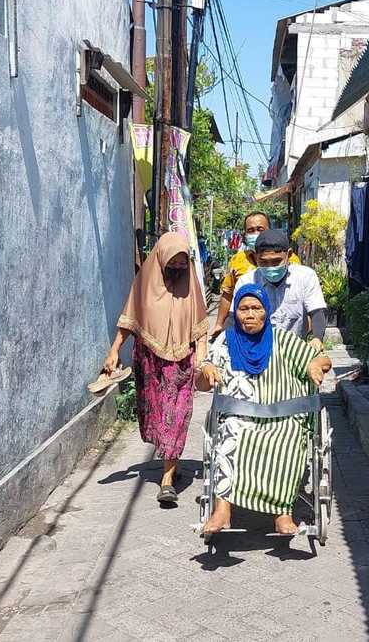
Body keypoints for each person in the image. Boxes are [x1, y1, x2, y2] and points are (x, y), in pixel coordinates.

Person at [196, 284, 332, 534]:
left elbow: (322, 359)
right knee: (229, 434)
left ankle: (282, 513)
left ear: (265, 312)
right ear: (235, 312)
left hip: (282, 418)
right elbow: (202, 382)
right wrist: (206, 370)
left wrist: (316, 364)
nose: (249, 314)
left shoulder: (282, 339)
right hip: (238, 415)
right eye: (243, 309)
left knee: (290, 436)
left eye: (256, 308)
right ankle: (222, 509)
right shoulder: (226, 341)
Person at [102, 232, 209, 502]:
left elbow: (201, 327)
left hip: (182, 364)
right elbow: (130, 317)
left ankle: (167, 479)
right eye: (173, 262)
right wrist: (114, 351)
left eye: (183, 263)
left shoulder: (190, 284)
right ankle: (172, 462)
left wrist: (203, 359)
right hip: (150, 363)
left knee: (176, 416)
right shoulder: (144, 283)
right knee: (159, 416)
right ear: (160, 257)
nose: (178, 268)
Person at [210, 212, 300, 338]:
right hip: (249, 328)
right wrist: (219, 324)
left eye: (260, 229)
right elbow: (228, 294)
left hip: (284, 328)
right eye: (250, 230)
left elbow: (304, 299)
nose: (255, 234)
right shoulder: (237, 260)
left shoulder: (290, 259)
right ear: (245, 234)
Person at [234, 229, 327, 352]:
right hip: (257, 349)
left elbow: (317, 311)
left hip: (295, 350)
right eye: (263, 262)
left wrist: (317, 338)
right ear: (255, 257)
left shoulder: (305, 276)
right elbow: (233, 317)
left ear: (288, 255)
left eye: (276, 261)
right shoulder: (246, 281)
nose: (270, 267)